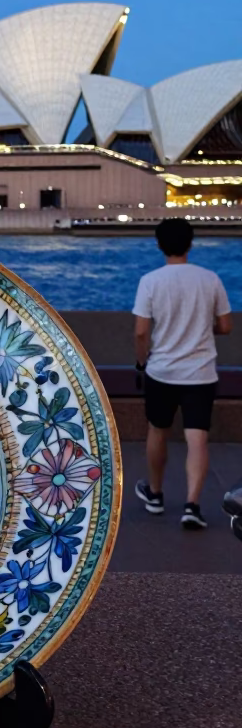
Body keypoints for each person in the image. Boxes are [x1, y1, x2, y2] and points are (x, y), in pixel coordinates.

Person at [133, 218, 232, 529]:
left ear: (159, 244)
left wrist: (141, 363)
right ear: (191, 243)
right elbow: (226, 326)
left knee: (158, 430)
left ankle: (156, 494)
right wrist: (205, 327)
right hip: (201, 373)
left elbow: (140, 333)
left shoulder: (150, 281)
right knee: (197, 438)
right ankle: (192, 505)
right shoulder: (210, 279)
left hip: (161, 371)